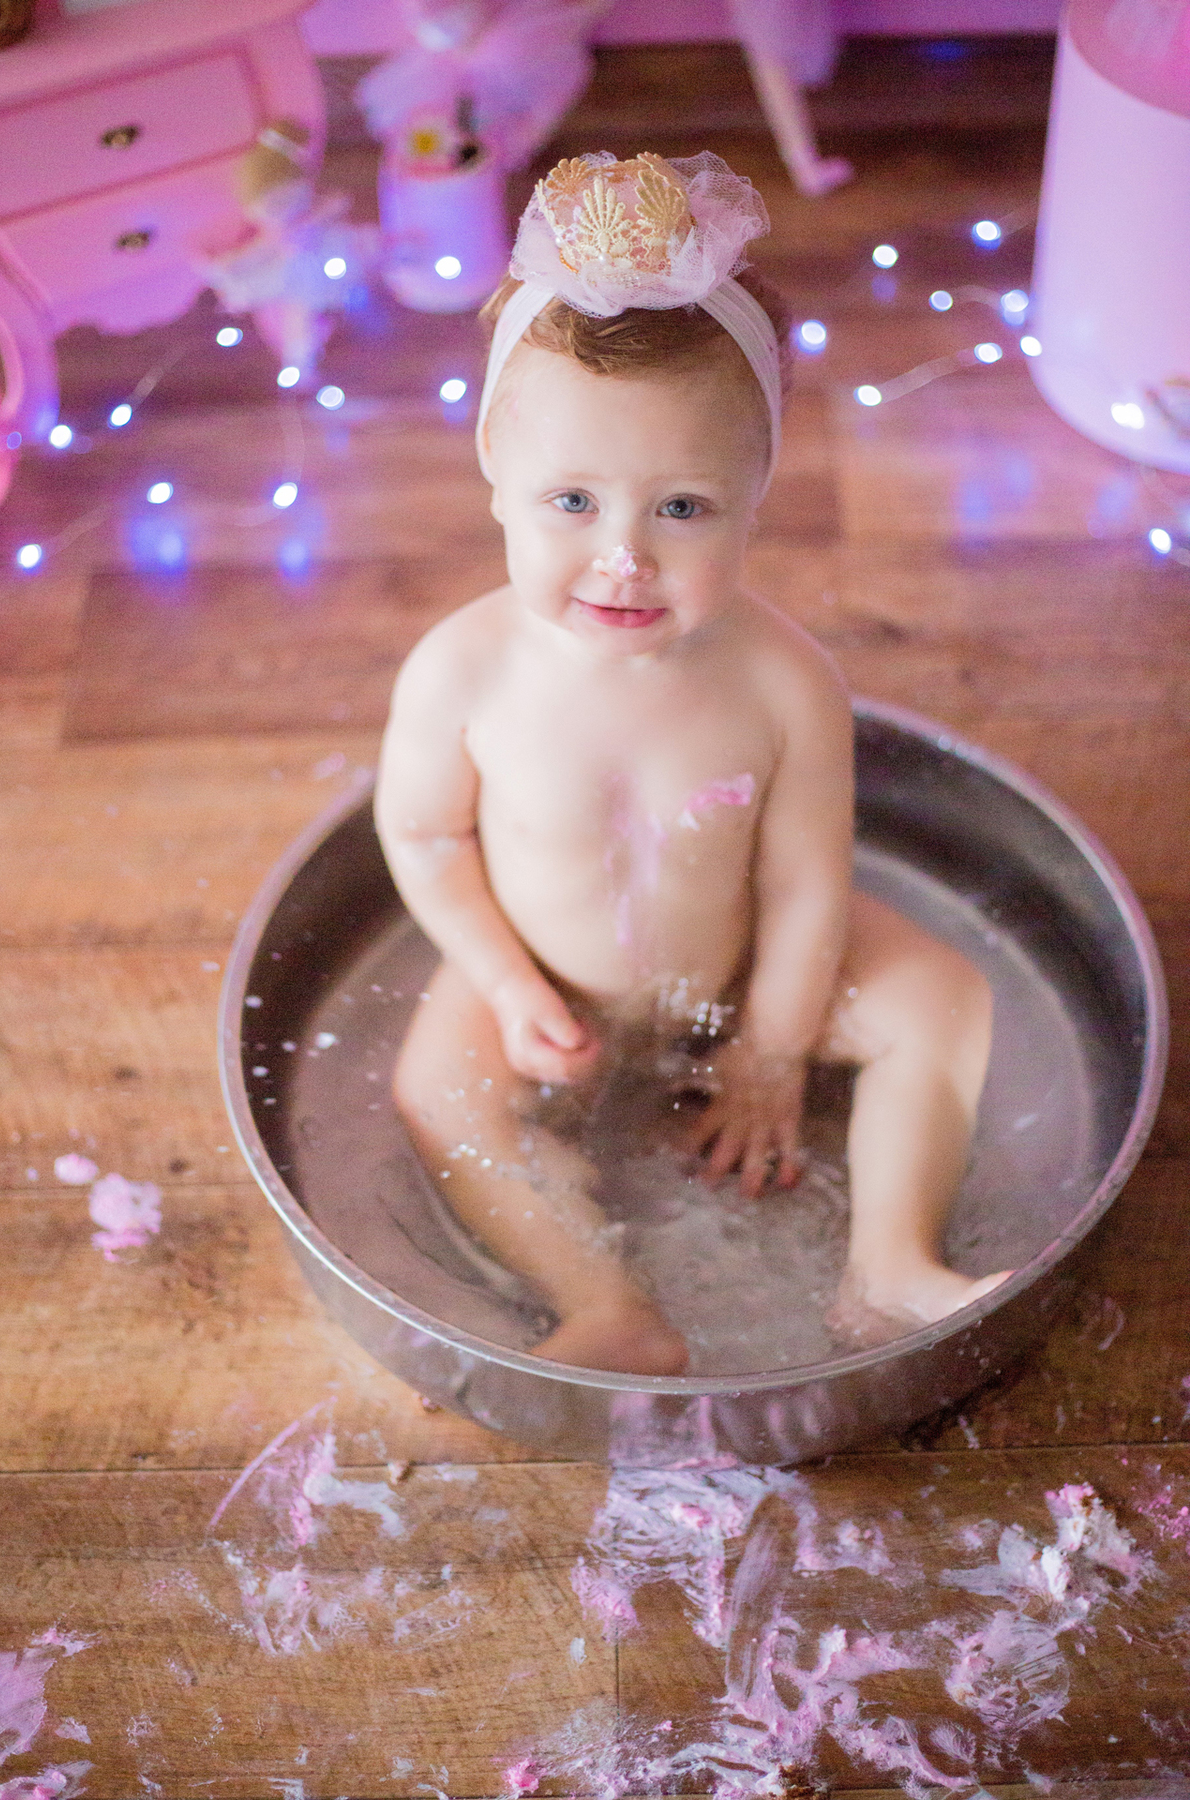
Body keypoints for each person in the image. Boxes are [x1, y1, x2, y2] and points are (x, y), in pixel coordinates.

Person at [375, 151, 1010, 1375]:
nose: (623, 558)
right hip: (549, 981)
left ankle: (888, 1261)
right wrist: (506, 987)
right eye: (572, 502)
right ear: (494, 474)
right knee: (435, 1091)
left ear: (757, 495)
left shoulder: (782, 684)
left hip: (734, 968)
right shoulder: (462, 676)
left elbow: (811, 883)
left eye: (681, 509)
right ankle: (604, 1296)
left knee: (946, 999)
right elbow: (425, 839)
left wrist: (773, 1041)